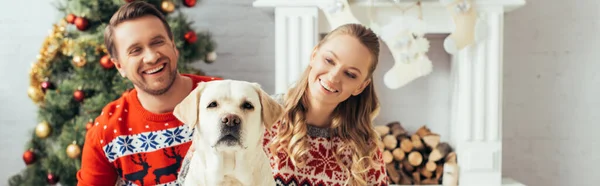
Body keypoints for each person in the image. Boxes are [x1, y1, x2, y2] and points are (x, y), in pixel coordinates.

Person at [76, 2, 221, 186]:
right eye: (135, 50)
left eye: (158, 42)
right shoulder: (107, 132)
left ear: (174, 47)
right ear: (119, 66)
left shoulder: (226, 97)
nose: (152, 57)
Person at [263, 23, 388, 186]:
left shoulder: (366, 148)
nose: (334, 77)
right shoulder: (263, 117)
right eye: (329, 60)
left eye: (350, 74)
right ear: (314, 55)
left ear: (360, 87)